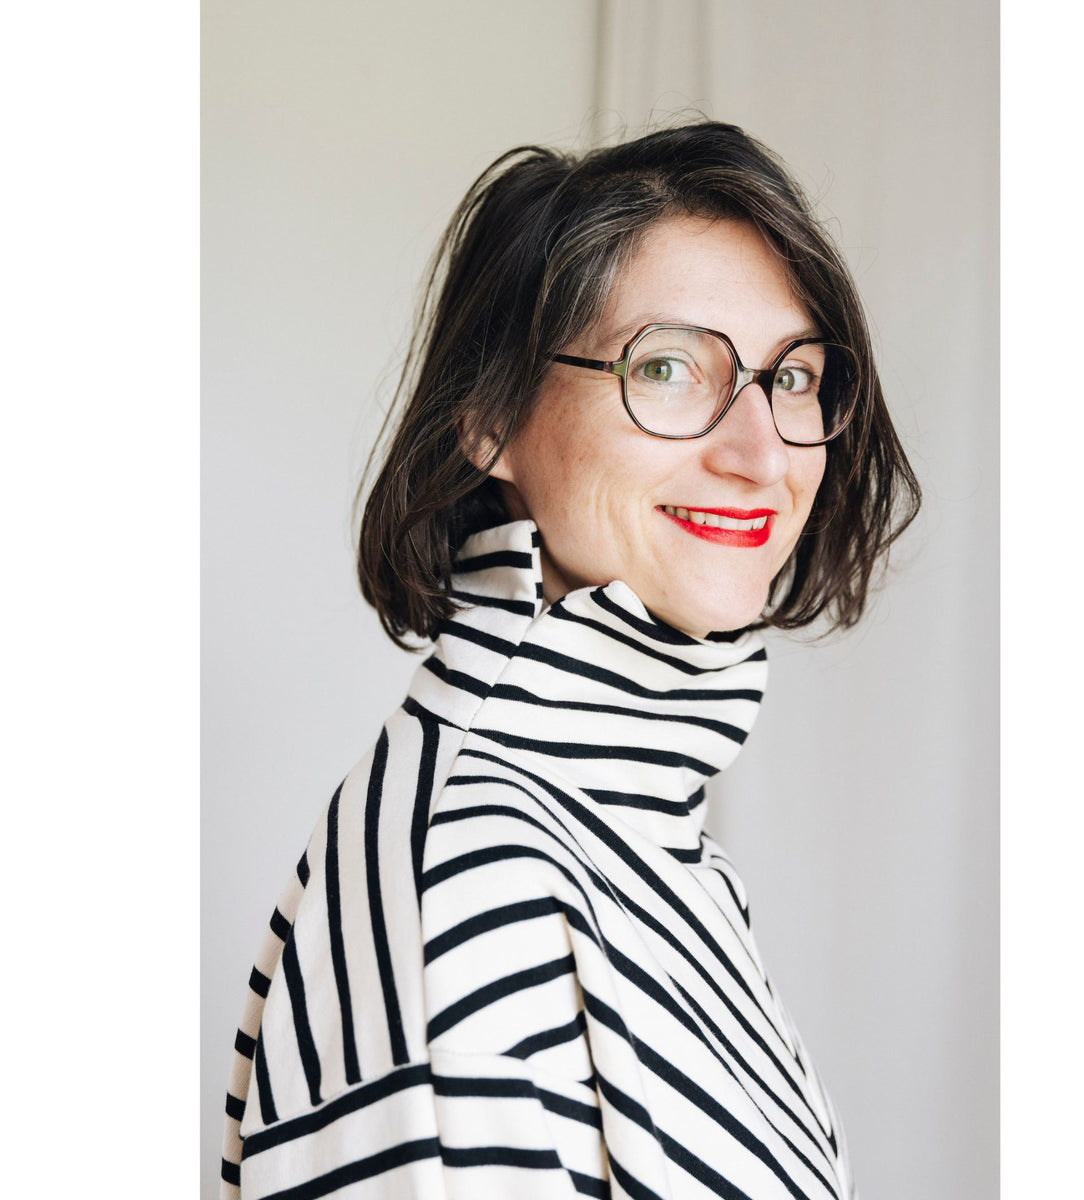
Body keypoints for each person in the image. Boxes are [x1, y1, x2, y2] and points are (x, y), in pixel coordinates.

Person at [220, 120, 920, 1200]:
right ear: (490, 416)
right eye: (669, 367)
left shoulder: (635, 833)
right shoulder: (473, 858)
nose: (762, 453)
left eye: (792, 377)